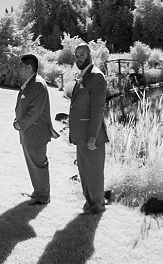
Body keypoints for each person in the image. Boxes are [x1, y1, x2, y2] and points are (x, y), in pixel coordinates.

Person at [67, 43, 109, 214]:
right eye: (76, 55)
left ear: (90, 55)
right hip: (81, 135)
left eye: (82, 54)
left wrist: (92, 136)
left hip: (92, 136)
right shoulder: (83, 75)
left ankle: (98, 205)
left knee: (94, 172)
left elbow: (98, 109)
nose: (78, 58)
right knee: (84, 171)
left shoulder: (96, 76)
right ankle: (89, 202)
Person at [14, 54, 59, 205]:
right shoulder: (30, 82)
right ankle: (38, 191)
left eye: (21, 66)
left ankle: (43, 197)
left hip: (35, 132)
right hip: (29, 132)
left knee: (39, 164)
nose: (19, 69)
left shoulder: (38, 84)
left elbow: (35, 111)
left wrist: (21, 124)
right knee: (33, 164)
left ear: (29, 67)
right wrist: (18, 120)